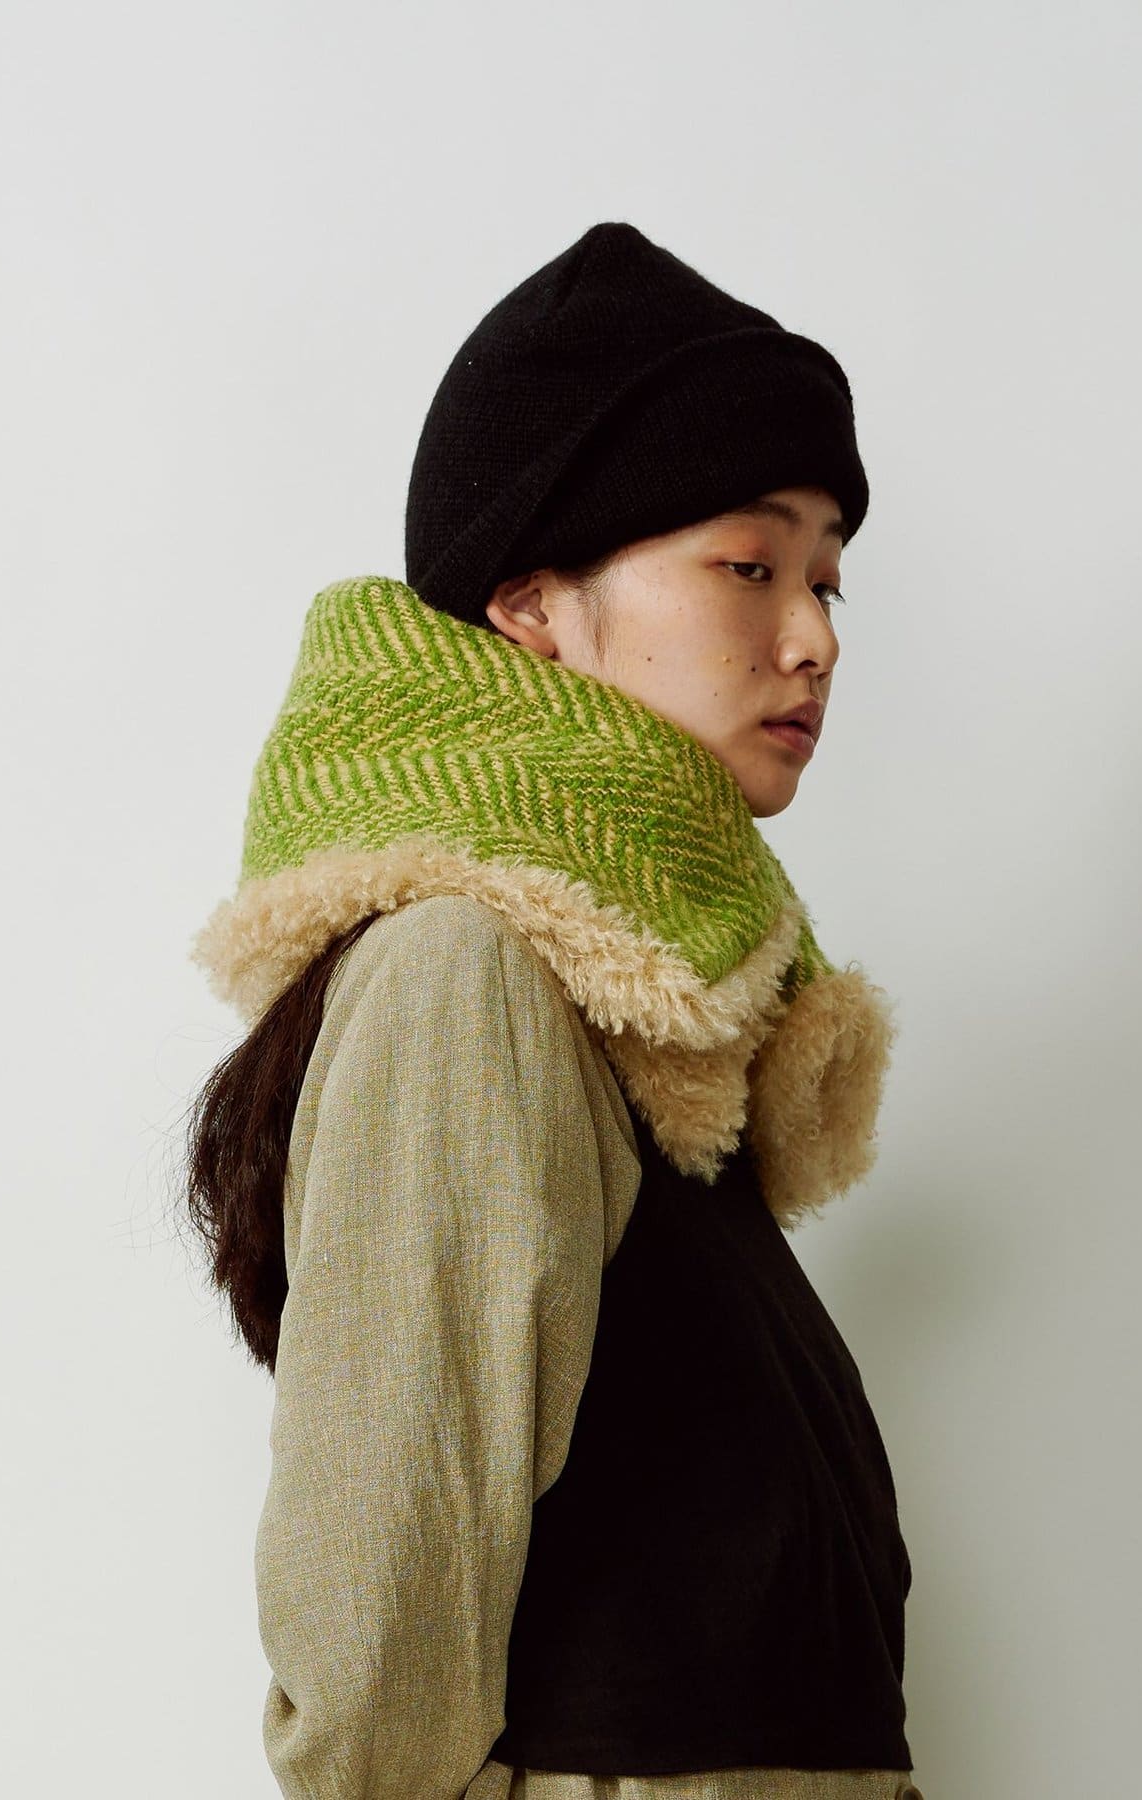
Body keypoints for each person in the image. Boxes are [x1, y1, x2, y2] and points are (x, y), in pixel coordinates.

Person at [184, 221, 926, 1800]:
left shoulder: (658, 1040)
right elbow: (376, 1668)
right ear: (530, 603)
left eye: (826, 579)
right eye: (750, 565)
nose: (814, 637)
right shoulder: (463, 978)